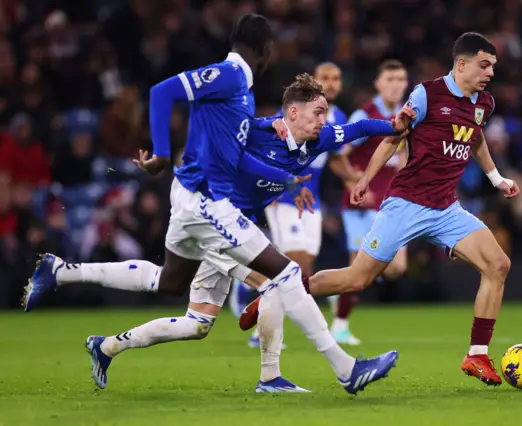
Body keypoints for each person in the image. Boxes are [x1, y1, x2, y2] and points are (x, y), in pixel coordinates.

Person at [23, 14, 399, 395]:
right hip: (212, 206)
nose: (324, 119)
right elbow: (201, 123)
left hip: (211, 208)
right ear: (292, 113)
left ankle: (98, 332)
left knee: (186, 308)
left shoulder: (302, 132)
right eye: (317, 112)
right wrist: (168, 156)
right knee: (280, 278)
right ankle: (326, 371)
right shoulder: (243, 97)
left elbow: (359, 129)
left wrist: (396, 125)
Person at [240, 32, 520, 387]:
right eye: (484, 64)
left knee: (498, 264)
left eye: (493, 66)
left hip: (446, 207)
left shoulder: (484, 103)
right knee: (356, 278)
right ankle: (276, 291)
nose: (490, 72)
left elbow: (474, 135)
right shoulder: (427, 94)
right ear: (461, 64)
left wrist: (496, 177)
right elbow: (394, 136)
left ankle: (477, 355)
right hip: (406, 204)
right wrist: (364, 180)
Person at [229, 62, 354, 348]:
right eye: (325, 78)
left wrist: (355, 180)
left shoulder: (338, 117)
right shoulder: (292, 116)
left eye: (336, 78)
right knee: (293, 263)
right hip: (284, 198)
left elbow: (336, 159)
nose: (331, 83)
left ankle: (252, 288)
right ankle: (260, 324)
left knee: (304, 266)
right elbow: (266, 145)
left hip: (313, 200)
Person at [330, 60, 410, 345]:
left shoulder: (409, 115)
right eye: (389, 78)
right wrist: (355, 182)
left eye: (400, 79)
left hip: (392, 205)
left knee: (397, 267)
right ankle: (339, 324)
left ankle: (336, 286)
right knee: (357, 269)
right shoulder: (365, 114)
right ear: (377, 83)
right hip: (360, 203)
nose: (396, 84)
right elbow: (338, 153)